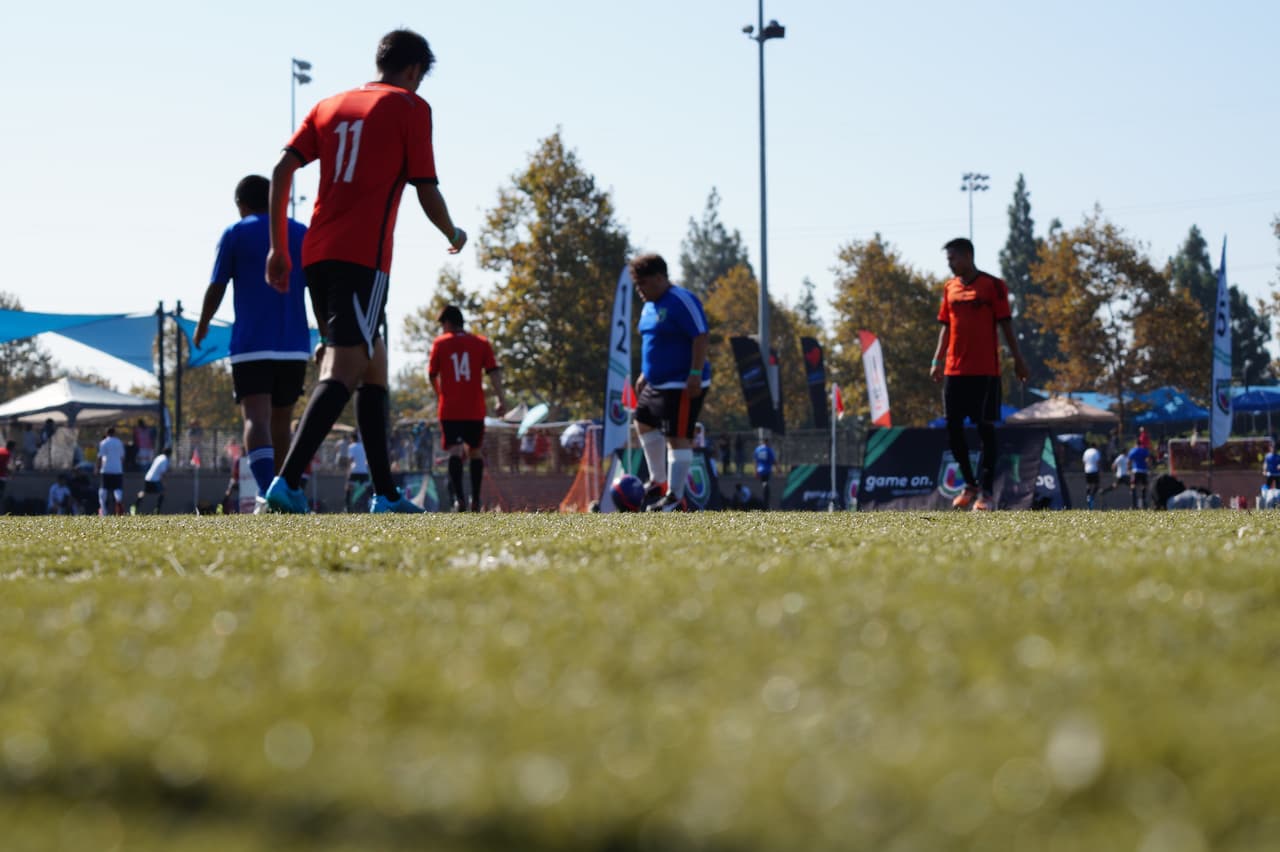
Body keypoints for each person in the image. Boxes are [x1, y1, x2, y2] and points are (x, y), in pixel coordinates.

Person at [264, 28, 465, 514]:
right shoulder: (411, 107)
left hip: (317, 253)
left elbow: (280, 171)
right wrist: (452, 232)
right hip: (363, 259)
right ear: (414, 71)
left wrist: (278, 251)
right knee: (346, 367)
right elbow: (425, 187)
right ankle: (285, 485)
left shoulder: (329, 105)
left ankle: (386, 494)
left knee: (374, 370)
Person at [194, 174, 310, 510]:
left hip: (251, 343)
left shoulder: (236, 232)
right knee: (281, 421)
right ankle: (284, 491)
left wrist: (202, 325)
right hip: (294, 342)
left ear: (241, 205)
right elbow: (316, 283)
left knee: (255, 419)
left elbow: (217, 284)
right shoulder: (300, 232)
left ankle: (264, 493)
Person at [930, 238, 1029, 511]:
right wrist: (937, 359)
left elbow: (1006, 325)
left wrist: (1018, 360)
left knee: (985, 429)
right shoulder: (949, 288)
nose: (950, 264)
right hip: (954, 369)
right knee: (952, 427)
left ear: (967, 257)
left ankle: (985, 493)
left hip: (985, 370)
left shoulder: (993, 286)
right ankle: (970, 484)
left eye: (953, 258)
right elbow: (945, 327)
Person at [629, 253, 711, 512]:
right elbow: (652, 342)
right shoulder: (648, 306)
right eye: (636, 284)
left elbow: (700, 336)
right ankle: (658, 482)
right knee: (642, 422)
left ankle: (675, 499)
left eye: (643, 283)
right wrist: (645, 373)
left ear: (659, 278)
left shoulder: (681, 300)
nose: (639, 289)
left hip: (682, 383)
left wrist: (695, 374)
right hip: (655, 383)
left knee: (677, 437)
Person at [428, 305, 506, 511]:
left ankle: (459, 499)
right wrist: (501, 399)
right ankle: (476, 500)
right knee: (475, 451)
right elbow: (494, 372)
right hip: (474, 408)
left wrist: (440, 395)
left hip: (450, 409)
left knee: (454, 451)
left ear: (447, 323)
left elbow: (432, 375)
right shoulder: (481, 343)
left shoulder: (440, 343)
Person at [131, 445, 171, 515]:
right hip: (154, 480)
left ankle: (134, 506)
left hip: (148, 477)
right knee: (162, 492)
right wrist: (164, 483)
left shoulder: (159, 457)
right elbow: (162, 473)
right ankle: (157, 510)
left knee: (144, 492)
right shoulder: (165, 460)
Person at [97, 426, 127, 516]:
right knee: (117, 488)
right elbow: (122, 457)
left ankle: (103, 509)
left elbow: (100, 456)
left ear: (106, 433)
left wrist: (97, 467)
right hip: (117, 469)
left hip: (106, 469)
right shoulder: (119, 442)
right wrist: (120, 466)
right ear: (114, 433)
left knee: (103, 489)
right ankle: (118, 501)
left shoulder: (104, 443)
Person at [345, 432, 370, 512]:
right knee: (367, 489)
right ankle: (368, 507)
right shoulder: (364, 446)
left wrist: (348, 471)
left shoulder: (351, 446)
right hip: (364, 471)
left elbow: (351, 460)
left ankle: (348, 508)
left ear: (352, 439)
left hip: (355, 471)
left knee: (348, 488)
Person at [1128, 440, 1154, 509]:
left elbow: (1129, 461)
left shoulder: (1132, 451)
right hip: (1143, 471)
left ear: (1135, 444)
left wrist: (1129, 469)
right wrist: (1150, 468)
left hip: (1135, 471)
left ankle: (1134, 504)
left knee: (1133, 486)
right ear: (1141, 444)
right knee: (1144, 486)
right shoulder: (1144, 451)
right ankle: (1143, 503)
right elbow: (1148, 460)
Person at [754, 436, 777, 509]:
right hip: (767, 470)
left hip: (760, 470)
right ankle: (766, 502)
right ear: (767, 442)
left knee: (764, 483)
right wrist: (778, 469)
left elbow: (756, 461)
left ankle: (765, 491)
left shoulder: (758, 449)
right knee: (766, 485)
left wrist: (756, 471)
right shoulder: (769, 450)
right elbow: (774, 460)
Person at [1082, 442, 1102, 510]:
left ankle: (1088, 496)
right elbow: (1097, 462)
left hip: (1087, 470)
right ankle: (1092, 496)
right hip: (1094, 470)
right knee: (1097, 485)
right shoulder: (1096, 452)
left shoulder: (1086, 451)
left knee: (1088, 485)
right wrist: (1099, 470)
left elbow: (1084, 461)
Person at [0, 440, 11, 510]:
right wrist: (9, 473)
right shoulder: (7, 453)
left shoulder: (0, 450)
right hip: (1, 477)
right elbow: (4, 466)